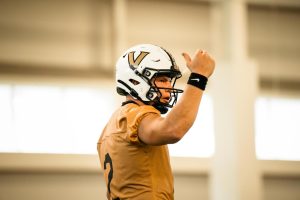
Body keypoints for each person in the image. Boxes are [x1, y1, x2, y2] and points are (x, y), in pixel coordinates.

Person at [97, 44, 215, 200]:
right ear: (135, 80)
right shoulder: (135, 115)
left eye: (169, 80)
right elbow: (173, 129)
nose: (168, 87)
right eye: (162, 79)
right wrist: (199, 76)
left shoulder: (113, 124)